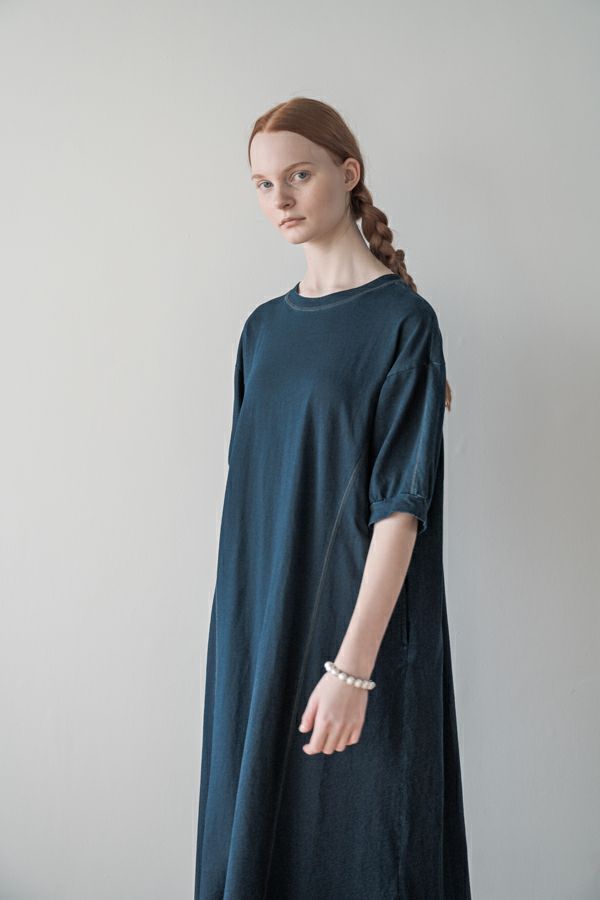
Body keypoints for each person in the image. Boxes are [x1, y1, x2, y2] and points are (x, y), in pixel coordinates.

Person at [194, 96, 471, 900]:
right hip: (257, 632)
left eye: (299, 175)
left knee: (363, 851)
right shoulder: (261, 332)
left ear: (349, 174)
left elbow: (401, 509)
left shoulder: (403, 323)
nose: (278, 198)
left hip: (355, 643)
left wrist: (351, 672)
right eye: (262, 184)